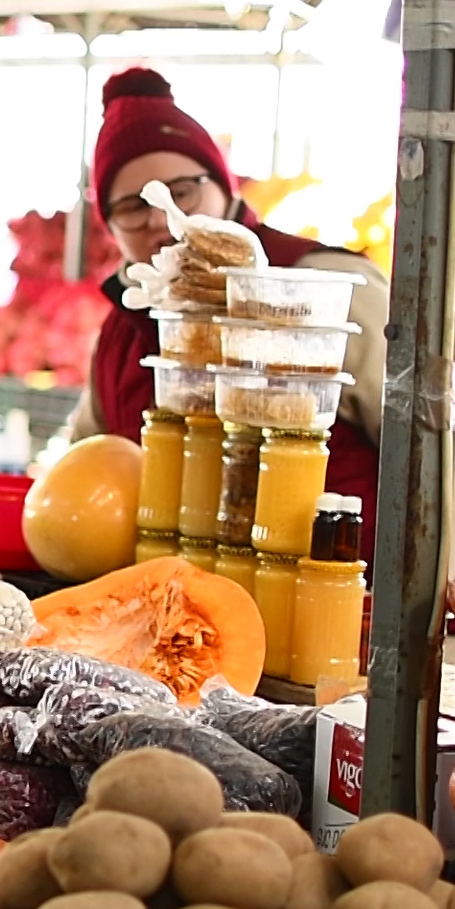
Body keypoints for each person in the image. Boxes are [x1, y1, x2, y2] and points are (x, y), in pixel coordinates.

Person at [68, 68, 388, 560]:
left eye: (181, 192)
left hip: (328, 587)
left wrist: (422, 584)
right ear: (110, 227)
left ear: (224, 187)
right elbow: (87, 462)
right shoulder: (120, 329)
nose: (160, 219)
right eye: (132, 207)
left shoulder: (321, 285)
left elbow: (433, 435)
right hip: (163, 595)